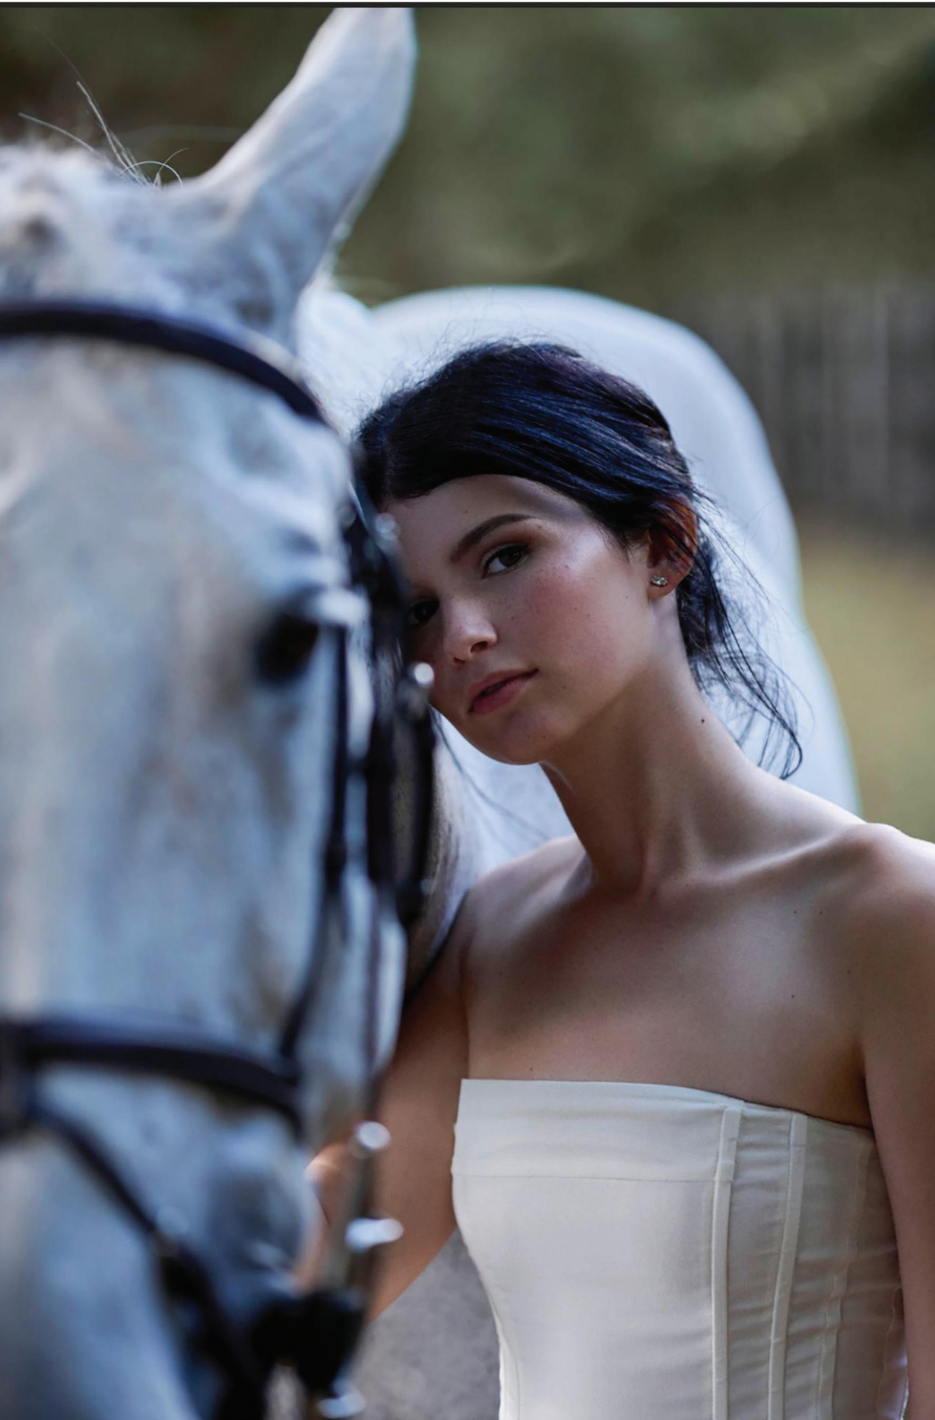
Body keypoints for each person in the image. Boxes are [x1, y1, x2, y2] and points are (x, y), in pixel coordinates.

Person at [306, 342, 933, 1416]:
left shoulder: (888, 918)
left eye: (503, 555)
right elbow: (303, 1270)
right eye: (413, 608)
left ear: (662, 543)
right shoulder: (492, 939)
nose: (462, 633)